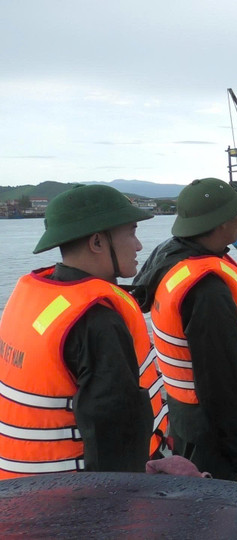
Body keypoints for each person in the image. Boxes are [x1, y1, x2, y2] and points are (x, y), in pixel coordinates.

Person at [0, 185, 166, 478]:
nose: (139, 246)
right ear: (98, 242)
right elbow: (115, 448)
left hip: (21, 492)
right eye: (131, 232)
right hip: (74, 504)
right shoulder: (98, 321)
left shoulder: (39, 300)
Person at [133, 178, 237, 485]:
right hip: (216, 437)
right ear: (219, 224)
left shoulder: (172, 259)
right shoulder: (208, 291)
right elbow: (221, 382)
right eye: (235, 214)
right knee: (225, 518)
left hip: (188, 421)